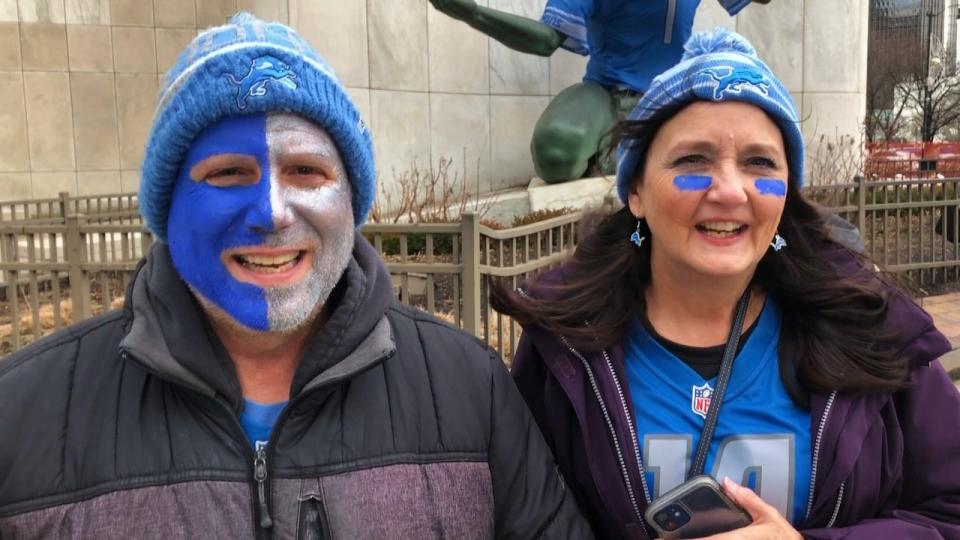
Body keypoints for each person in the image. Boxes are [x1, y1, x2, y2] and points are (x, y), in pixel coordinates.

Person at [0, 13, 593, 539]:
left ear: (352, 202)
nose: (273, 213)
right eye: (229, 172)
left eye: (307, 171)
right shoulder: (21, 414)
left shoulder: (472, 388)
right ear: (167, 208)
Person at [492, 28, 960, 539]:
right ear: (637, 193)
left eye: (760, 163)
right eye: (692, 161)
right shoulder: (565, 348)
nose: (730, 190)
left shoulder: (872, 330)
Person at [429, 0, 771, 183]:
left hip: (671, 96)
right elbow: (547, 39)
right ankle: (609, 151)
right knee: (557, 152)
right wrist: (473, 13)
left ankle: (619, 154)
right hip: (606, 92)